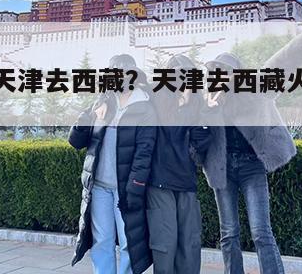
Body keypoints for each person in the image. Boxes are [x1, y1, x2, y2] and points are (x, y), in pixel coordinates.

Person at [202, 25, 302, 274]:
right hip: (223, 170)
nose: (220, 76)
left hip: (251, 167)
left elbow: (279, 64)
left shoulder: (253, 90)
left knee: (260, 232)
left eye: (225, 71)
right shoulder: (209, 101)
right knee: (229, 233)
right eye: (216, 72)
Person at [69, 54, 157, 274]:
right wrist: (89, 116)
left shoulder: (144, 107)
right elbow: (76, 141)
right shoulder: (103, 103)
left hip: (126, 189)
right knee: (102, 240)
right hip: (99, 187)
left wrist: (135, 185)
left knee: (129, 243)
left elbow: (145, 151)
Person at [147, 54, 212, 274]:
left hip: (186, 183)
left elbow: (202, 141)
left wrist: (197, 107)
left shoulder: (197, 103)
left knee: (190, 245)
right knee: (165, 244)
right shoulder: (157, 99)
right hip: (160, 183)